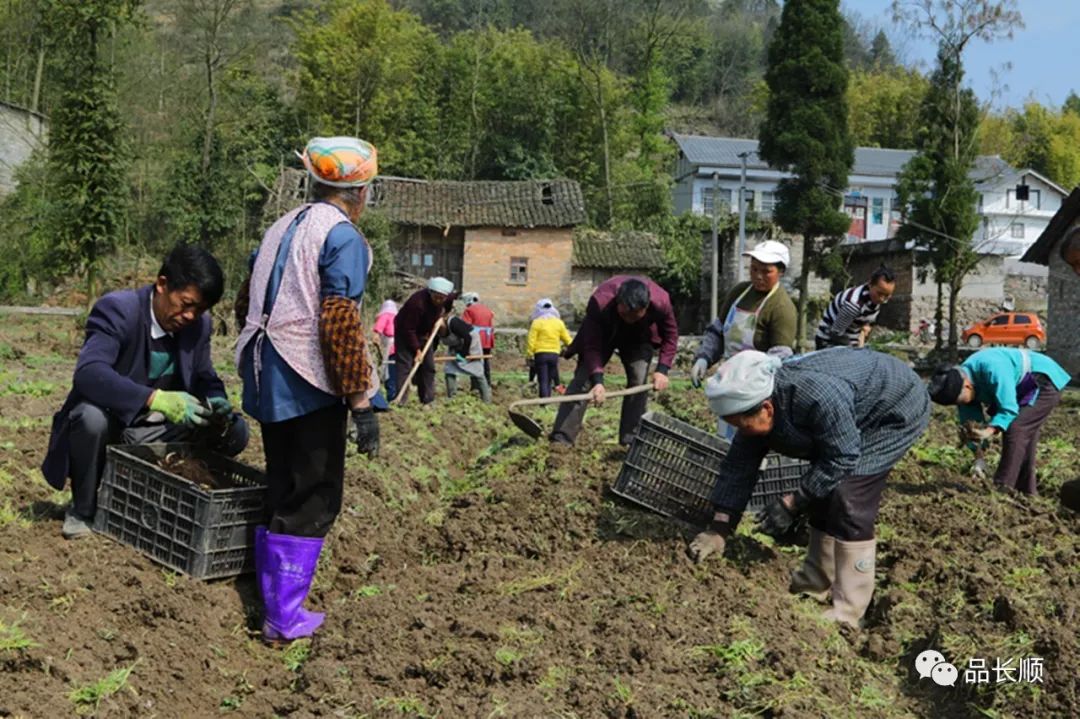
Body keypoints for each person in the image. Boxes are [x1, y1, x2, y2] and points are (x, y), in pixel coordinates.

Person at [236, 136, 380, 643]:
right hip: (307, 376)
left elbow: (244, 299)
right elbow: (340, 320)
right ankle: (283, 616)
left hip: (263, 367)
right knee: (316, 493)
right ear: (360, 193)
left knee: (283, 484)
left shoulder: (280, 227)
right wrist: (360, 401)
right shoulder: (341, 237)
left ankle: (269, 597)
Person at [688, 348, 930, 628]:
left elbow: (842, 456)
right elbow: (739, 466)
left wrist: (792, 502)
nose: (740, 431)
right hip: (851, 411)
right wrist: (720, 527)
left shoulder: (817, 396)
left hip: (893, 409)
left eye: (741, 424)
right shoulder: (758, 407)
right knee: (824, 490)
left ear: (766, 409)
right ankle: (813, 584)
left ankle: (850, 611)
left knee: (848, 494)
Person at [41, 245, 249, 540]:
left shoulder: (198, 325)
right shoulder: (119, 310)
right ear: (162, 284)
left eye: (200, 309)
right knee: (90, 417)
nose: (190, 315)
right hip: (115, 425)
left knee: (235, 431)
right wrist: (155, 399)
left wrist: (217, 399)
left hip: (155, 432)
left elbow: (204, 375)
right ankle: (83, 508)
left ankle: (180, 499)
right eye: (186, 303)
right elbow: (89, 373)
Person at [550, 276, 677, 447]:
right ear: (618, 302)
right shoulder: (600, 301)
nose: (628, 319)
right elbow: (592, 345)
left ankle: (630, 439)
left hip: (639, 338)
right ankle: (561, 438)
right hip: (604, 335)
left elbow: (671, 335)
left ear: (646, 308)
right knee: (582, 380)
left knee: (638, 382)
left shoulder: (661, 302)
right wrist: (598, 381)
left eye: (634, 315)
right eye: (624, 313)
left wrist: (662, 369)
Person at [928, 348, 1070, 495]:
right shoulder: (960, 386)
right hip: (1020, 388)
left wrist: (990, 430)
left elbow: (1008, 408)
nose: (962, 404)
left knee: (1016, 428)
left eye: (960, 400)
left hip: (1043, 379)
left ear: (967, 385)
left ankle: (1002, 489)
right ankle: (1027, 493)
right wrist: (979, 459)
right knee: (1023, 438)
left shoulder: (992, 367)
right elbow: (972, 426)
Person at [690, 240, 797, 388]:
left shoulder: (782, 307)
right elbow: (717, 332)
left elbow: (780, 357)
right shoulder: (739, 292)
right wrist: (703, 358)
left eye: (766, 271)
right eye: (754, 269)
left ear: (781, 271)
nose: (758, 276)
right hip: (728, 374)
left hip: (757, 383)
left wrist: (753, 378)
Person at [394, 277, 457, 405]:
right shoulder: (417, 303)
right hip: (405, 332)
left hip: (425, 333)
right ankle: (401, 401)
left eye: (442, 298)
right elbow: (409, 329)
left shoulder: (448, 297)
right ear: (430, 293)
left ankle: (428, 400)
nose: (439, 300)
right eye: (436, 297)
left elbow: (448, 306)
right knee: (405, 366)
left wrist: (442, 318)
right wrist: (417, 350)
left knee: (428, 367)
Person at [814, 265, 896, 350]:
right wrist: (855, 351)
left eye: (887, 295)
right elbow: (836, 333)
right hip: (828, 342)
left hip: (850, 340)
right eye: (879, 294)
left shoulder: (874, 300)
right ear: (870, 284)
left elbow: (864, 327)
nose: (882, 299)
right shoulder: (854, 304)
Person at [526, 298, 572, 398]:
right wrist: (574, 348)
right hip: (554, 354)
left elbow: (531, 340)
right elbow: (567, 339)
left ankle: (543, 403)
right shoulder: (558, 323)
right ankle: (548, 400)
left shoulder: (537, 322)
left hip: (540, 354)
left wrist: (529, 354)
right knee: (549, 379)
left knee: (542, 379)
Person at [443, 317, 491, 402]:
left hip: (471, 342)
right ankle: (452, 398)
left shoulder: (453, 323)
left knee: (477, 370)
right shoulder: (434, 331)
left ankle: (486, 400)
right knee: (449, 369)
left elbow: (468, 337)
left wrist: (463, 354)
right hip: (455, 346)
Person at [461, 292, 495, 385]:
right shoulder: (487, 309)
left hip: (476, 340)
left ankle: (476, 386)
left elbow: (465, 327)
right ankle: (487, 383)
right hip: (487, 340)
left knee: (474, 362)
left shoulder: (469, 310)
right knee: (485, 362)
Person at [372, 300, 398, 400]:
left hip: (391, 347)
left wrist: (376, 336)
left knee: (388, 372)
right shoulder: (398, 317)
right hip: (400, 348)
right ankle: (396, 393)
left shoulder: (385, 315)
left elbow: (378, 329)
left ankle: (391, 395)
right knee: (396, 371)